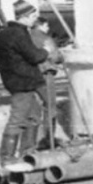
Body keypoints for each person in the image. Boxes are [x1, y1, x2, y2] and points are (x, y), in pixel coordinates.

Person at [0, 0, 52, 171]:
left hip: (18, 80)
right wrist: (46, 51)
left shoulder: (5, 33)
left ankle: (28, 153)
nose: (35, 19)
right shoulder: (19, 34)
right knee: (18, 119)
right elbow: (34, 56)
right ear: (24, 16)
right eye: (33, 16)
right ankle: (8, 159)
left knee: (33, 116)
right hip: (22, 82)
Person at [30, 16, 65, 149]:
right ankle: (48, 139)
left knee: (34, 108)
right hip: (45, 74)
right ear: (42, 25)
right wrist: (61, 55)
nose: (48, 28)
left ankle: (33, 141)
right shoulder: (45, 38)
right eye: (47, 26)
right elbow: (55, 56)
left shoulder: (26, 37)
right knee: (50, 107)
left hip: (30, 75)